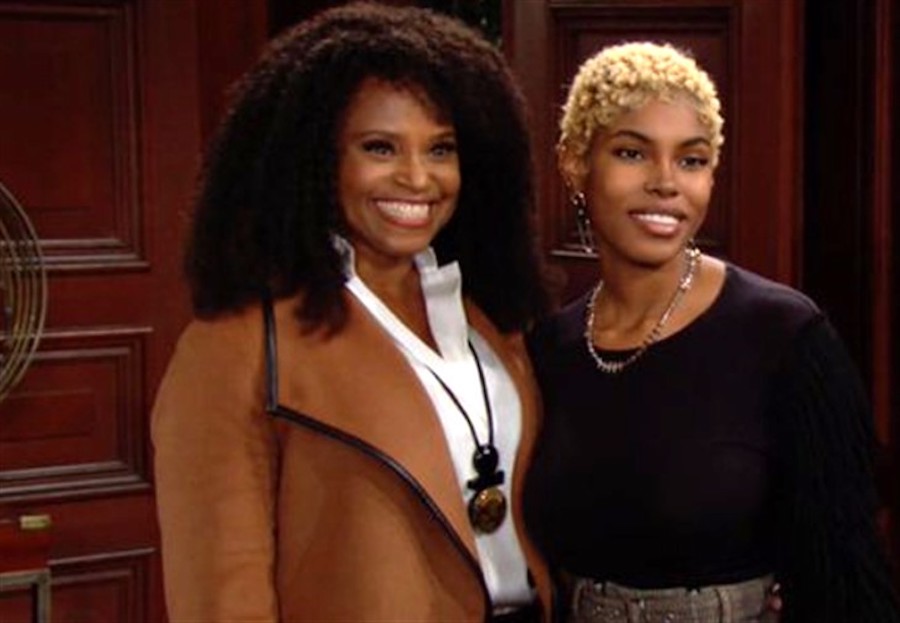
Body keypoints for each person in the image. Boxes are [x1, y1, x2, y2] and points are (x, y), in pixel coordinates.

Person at [151, 3, 552, 621]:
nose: (417, 178)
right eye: (380, 148)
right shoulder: (239, 346)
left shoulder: (492, 321)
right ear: (313, 161)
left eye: (440, 149)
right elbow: (220, 598)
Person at [523, 41, 900, 622]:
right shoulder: (550, 349)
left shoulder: (782, 335)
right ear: (575, 162)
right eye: (632, 153)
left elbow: (847, 579)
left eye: (691, 160)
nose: (666, 183)